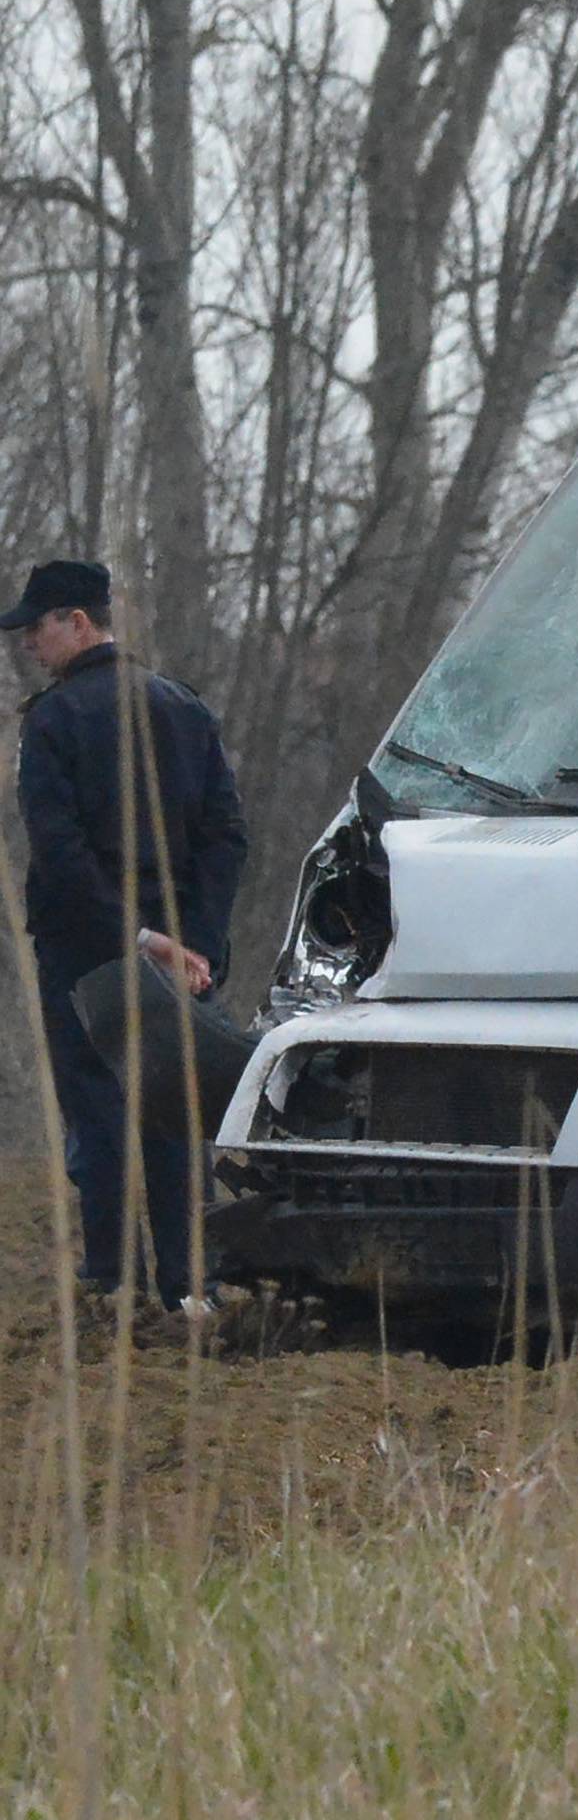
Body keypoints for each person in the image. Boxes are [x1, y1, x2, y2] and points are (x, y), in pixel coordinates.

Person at [4, 558, 248, 1308]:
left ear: (78, 622)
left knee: (99, 1109)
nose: (27, 648)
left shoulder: (52, 723)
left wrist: (140, 940)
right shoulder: (185, 709)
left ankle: (113, 1281)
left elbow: (63, 853)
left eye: (36, 630)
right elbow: (225, 836)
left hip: (86, 952)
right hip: (180, 946)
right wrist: (195, 940)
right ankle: (189, 1285)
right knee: (175, 1112)